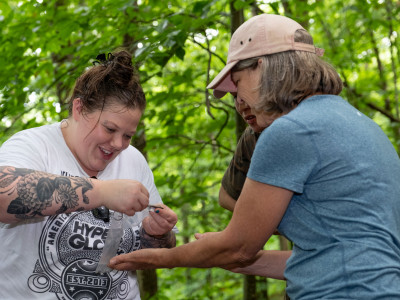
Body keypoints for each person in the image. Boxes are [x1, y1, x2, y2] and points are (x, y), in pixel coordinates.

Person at [108, 14, 400, 299]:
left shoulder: (292, 131)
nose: (239, 102)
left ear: (261, 67)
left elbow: (240, 247)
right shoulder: (360, 124)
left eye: (237, 82)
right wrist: (227, 255)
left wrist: (161, 258)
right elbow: (324, 258)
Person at [0, 50, 177, 300]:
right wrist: (103, 192)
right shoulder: (33, 146)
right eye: (110, 128)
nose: (118, 144)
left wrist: (157, 233)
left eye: (128, 135)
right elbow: (3, 194)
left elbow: (159, 255)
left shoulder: (134, 160)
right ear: (79, 108)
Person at [219, 93, 264, 211]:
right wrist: (262, 221)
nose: (240, 104)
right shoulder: (251, 136)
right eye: (235, 96)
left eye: (247, 92)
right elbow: (225, 197)